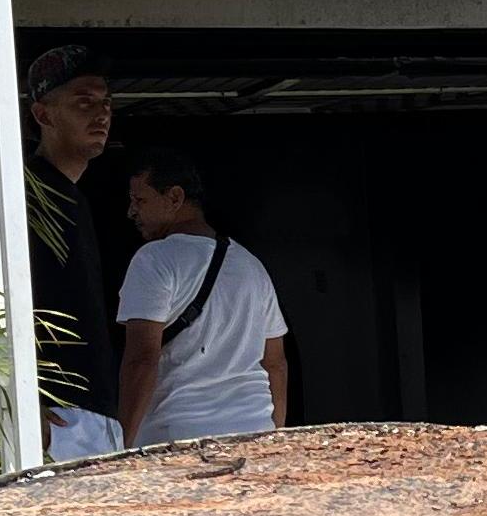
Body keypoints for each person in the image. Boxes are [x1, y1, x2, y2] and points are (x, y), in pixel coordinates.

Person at [113, 148, 289, 447]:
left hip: (178, 439)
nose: (131, 211)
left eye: (139, 200)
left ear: (174, 197)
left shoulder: (154, 259)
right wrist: (274, 437)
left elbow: (141, 361)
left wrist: (120, 447)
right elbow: (275, 363)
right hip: (254, 434)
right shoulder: (250, 265)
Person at [21, 45, 128, 462]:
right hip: (60, 417)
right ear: (43, 114)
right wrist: (19, 401)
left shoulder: (68, 195)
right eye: (84, 102)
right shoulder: (31, 189)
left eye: (106, 103)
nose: (101, 114)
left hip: (84, 415)